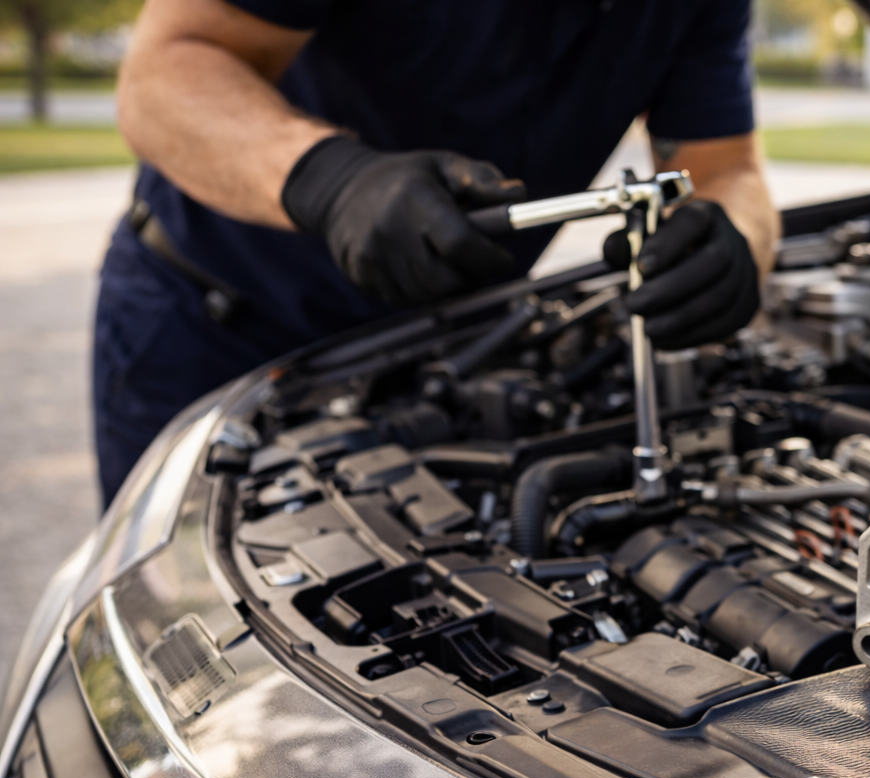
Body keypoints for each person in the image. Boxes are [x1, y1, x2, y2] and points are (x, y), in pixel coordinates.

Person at [97, 0, 777, 505]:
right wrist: (328, 180)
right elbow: (166, 71)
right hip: (216, 334)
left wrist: (733, 240)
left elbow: (725, 168)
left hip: (445, 357)